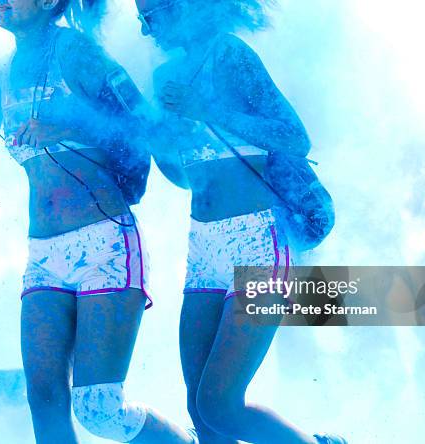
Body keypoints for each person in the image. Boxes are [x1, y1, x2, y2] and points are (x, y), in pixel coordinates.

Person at [0, 1, 194, 443]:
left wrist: (71, 128)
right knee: (43, 400)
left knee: (99, 409)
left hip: (107, 244)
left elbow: (144, 126)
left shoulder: (76, 51)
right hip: (43, 256)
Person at [135, 0, 347, 443]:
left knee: (219, 403)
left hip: (258, 239)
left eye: (149, 16)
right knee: (200, 410)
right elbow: (185, 176)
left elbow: (295, 137)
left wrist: (208, 111)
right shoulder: (164, 79)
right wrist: (159, 145)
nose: (145, 31)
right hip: (203, 244)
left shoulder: (229, 54)